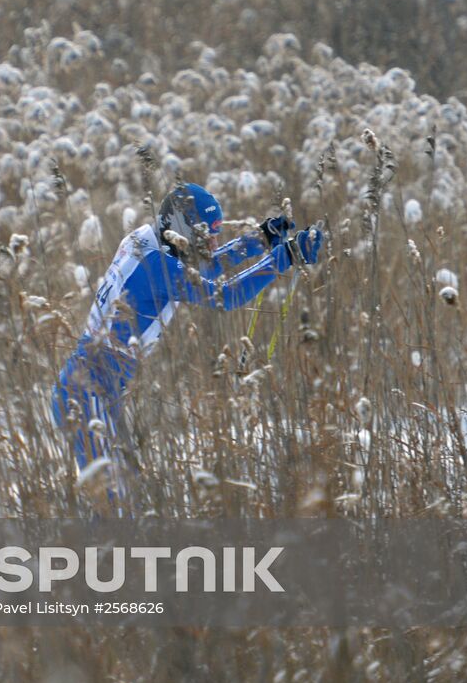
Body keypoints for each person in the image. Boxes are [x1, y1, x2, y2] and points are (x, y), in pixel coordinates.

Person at [53, 182, 322, 497]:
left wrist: (259, 240)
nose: (213, 243)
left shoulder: (146, 240)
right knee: (116, 504)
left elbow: (198, 265)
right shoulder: (155, 266)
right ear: (183, 230)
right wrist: (285, 256)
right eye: (207, 235)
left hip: (93, 384)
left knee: (127, 497)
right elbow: (226, 296)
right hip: (87, 392)